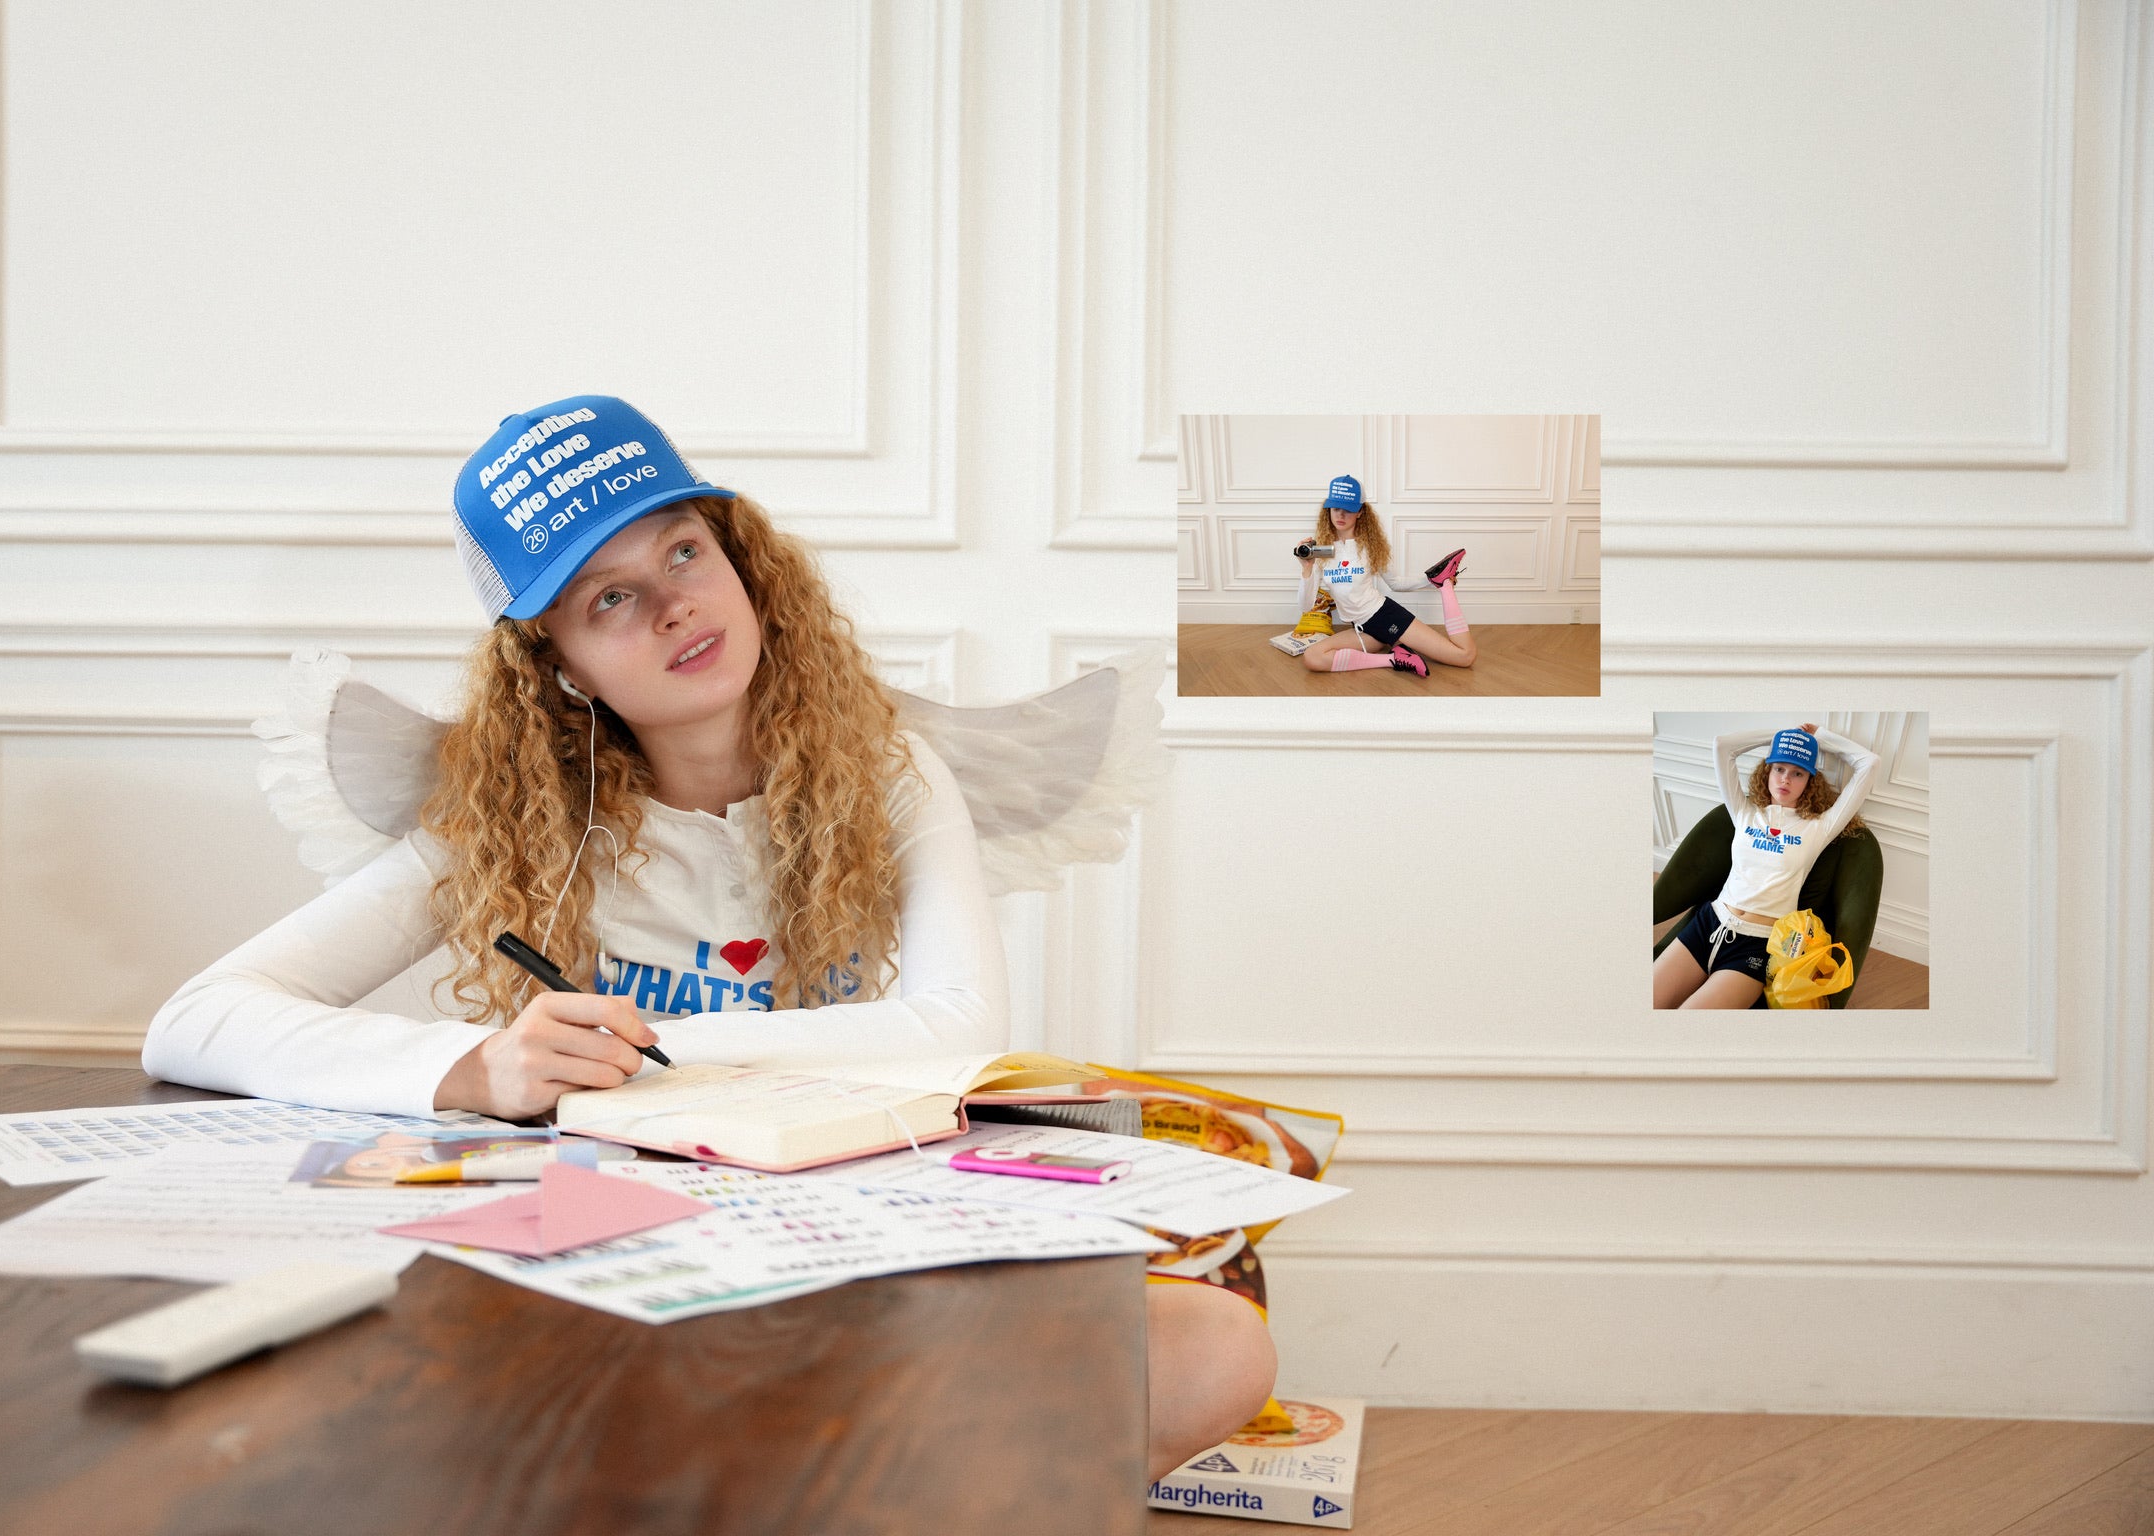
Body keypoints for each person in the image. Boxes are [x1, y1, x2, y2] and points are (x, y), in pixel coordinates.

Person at [142, 393, 1274, 1481]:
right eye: (609, 599)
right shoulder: (506, 821)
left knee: (1216, 1349)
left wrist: (669, 1054)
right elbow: (197, 1019)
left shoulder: (887, 771)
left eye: (684, 552)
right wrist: (479, 1068)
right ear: (557, 664)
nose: (674, 605)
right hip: (616, 1252)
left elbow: (964, 1030)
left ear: (740, 562)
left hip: (845, 1225)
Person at [1653, 722, 1881, 1010]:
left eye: (1797, 773)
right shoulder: (1744, 813)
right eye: (1779, 768)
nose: (1785, 779)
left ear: (1809, 782)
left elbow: (1869, 763)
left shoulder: (1818, 828)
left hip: (1756, 947)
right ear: (1767, 772)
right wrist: (1782, 735)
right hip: (1708, 924)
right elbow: (1722, 745)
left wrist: (1818, 736)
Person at [1291, 474, 1475, 676]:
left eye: (1348, 509)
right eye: (1335, 508)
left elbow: (1396, 584)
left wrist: (1430, 580)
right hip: (1362, 628)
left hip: (1384, 616)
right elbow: (1306, 607)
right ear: (1328, 510)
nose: (1340, 515)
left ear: (1360, 512)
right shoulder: (1321, 552)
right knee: (1313, 657)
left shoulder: (1370, 547)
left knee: (1464, 656)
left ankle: (1444, 584)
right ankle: (1394, 659)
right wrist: (1306, 568)